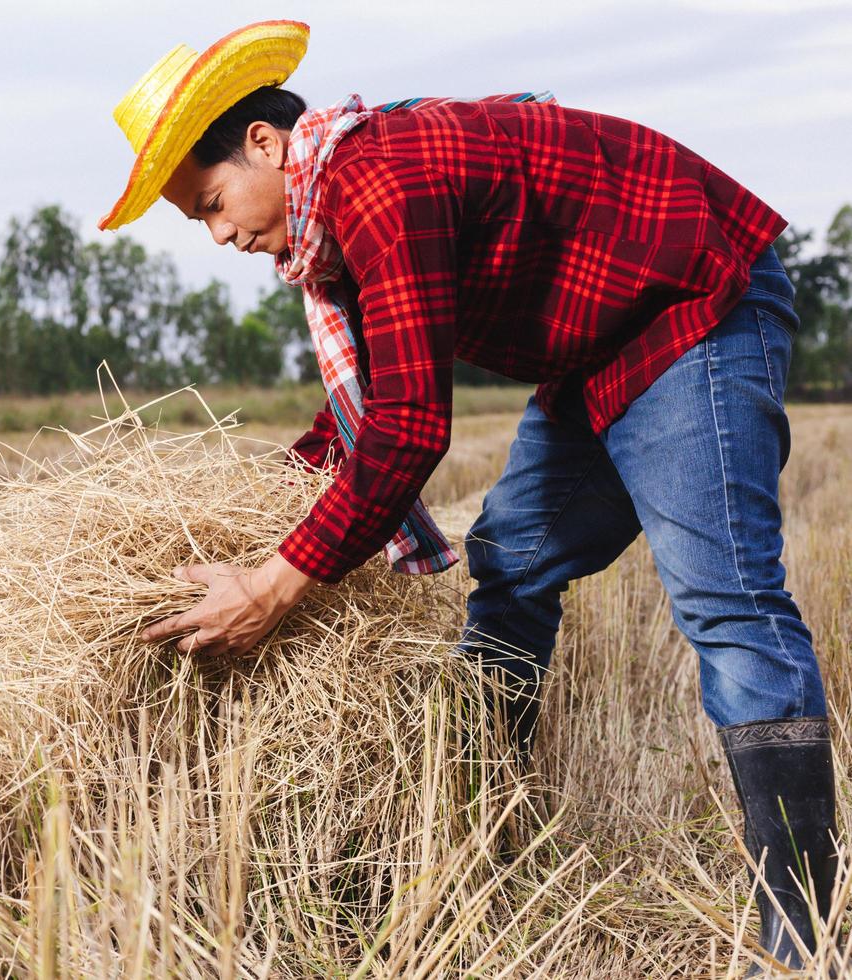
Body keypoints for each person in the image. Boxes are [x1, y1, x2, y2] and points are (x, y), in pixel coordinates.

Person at [106, 19, 839, 972]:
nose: (219, 234)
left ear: (265, 143)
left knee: (724, 596)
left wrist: (275, 585)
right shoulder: (339, 229)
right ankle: (471, 837)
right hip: (594, 351)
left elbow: (410, 424)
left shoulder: (380, 185)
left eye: (210, 202)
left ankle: (804, 936)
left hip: (693, 307)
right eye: (197, 222)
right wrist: (252, 510)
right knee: (516, 559)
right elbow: (358, 414)